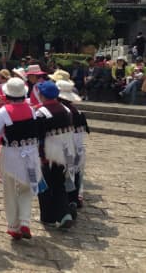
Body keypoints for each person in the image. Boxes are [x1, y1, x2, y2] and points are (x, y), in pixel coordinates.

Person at [0, 77, 42, 240]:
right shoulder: (30, 109)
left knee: (9, 190)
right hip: (30, 152)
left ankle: (13, 226)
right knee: (26, 189)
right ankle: (24, 221)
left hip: (11, 154)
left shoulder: (4, 111)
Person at [35, 81, 75, 229]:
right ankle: (65, 214)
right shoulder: (66, 110)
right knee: (59, 184)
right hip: (65, 152)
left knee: (44, 186)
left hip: (48, 154)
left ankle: (48, 217)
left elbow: (37, 136)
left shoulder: (41, 113)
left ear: (42, 95)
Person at [56, 79, 89, 210]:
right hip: (78, 149)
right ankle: (74, 200)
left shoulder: (62, 112)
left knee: (65, 178)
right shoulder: (79, 113)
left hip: (66, 149)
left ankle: (68, 203)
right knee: (75, 176)